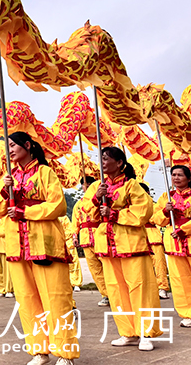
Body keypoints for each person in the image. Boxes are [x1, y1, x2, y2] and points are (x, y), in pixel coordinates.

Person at [0, 131, 79, 365]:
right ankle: (40, 351)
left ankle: (65, 353)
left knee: (55, 298)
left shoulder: (44, 172)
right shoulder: (7, 176)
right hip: (16, 245)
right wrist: (4, 188)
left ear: (27, 145)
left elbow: (58, 206)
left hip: (43, 241)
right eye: (6, 146)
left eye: (13, 145)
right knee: (28, 299)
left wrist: (25, 212)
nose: (9, 149)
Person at [81, 146, 161, 351]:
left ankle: (145, 333)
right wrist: (96, 198)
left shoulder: (131, 185)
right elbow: (88, 212)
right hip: (107, 245)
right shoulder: (97, 186)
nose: (103, 162)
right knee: (116, 290)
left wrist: (116, 213)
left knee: (139, 287)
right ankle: (128, 332)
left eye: (107, 158)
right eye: (101, 158)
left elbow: (144, 211)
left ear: (119, 163)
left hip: (131, 243)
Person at [153, 164, 191, 327]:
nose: (176, 178)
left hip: (188, 237)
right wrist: (165, 211)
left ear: (188, 178)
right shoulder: (166, 197)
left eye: (180, 175)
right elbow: (156, 219)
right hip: (174, 243)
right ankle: (187, 313)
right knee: (179, 280)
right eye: (173, 174)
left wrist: (185, 230)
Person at [71, 176, 108, 306]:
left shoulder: (102, 199)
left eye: (89, 184)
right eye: (84, 185)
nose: (86, 187)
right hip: (85, 237)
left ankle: (115, 292)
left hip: (100, 234)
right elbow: (75, 222)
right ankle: (105, 294)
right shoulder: (78, 204)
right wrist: (74, 236)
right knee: (95, 269)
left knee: (107, 266)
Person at [142, 183, 171, 299]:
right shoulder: (131, 207)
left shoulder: (154, 206)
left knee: (159, 264)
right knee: (142, 266)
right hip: (139, 237)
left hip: (153, 236)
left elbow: (156, 219)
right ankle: (147, 289)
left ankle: (162, 287)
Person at [59, 215, 82, 290]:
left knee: (73, 264)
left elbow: (70, 230)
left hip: (67, 242)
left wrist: (73, 238)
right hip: (56, 244)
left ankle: (76, 284)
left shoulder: (63, 217)